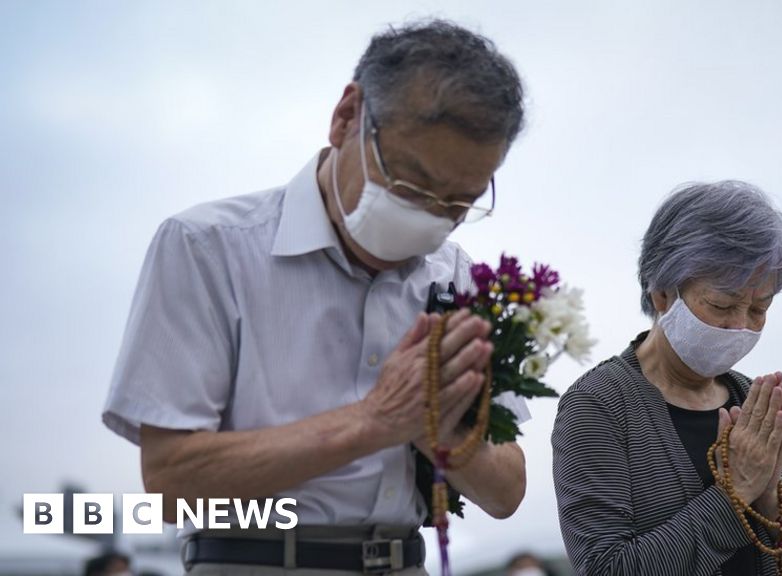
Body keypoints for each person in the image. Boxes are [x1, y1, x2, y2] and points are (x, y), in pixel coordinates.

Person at [103, 19, 529, 575]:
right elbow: (170, 484)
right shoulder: (207, 248)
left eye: (457, 204)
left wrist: (442, 428)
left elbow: (506, 492)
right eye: (409, 184)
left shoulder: (459, 278)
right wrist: (376, 421)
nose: (430, 217)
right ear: (347, 117)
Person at [552, 181, 782, 575]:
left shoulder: (754, 402)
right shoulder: (599, 404)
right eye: (722, 304)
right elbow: (606, 568)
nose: (739, 325)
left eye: (759, 309)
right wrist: (735, 494)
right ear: (662, 294)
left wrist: (773, 502)